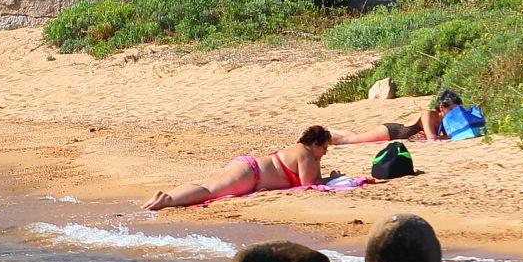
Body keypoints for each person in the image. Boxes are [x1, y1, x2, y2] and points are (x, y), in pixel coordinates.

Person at [144, 126, 332, 211]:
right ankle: (167, 200)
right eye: (324, 148)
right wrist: (331, 179)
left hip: (249, 168)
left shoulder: (300, 151)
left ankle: (165, 196)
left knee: (206, 186)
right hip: (252, 175)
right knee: (208, 191)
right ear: (314, 144)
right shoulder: (306, 155)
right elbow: (310, 185)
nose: (325, 153)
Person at [329, 89, 462, 146]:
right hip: (392, 132)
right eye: (451, 109)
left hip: (397, 133)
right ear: (441, 108)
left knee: (355, 137)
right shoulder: (429, 115)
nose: (454, 112)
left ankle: (331, 130)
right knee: (349, 141)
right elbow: (432, 139)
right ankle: (324, 136)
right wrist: (443, 137)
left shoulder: (446, 121)